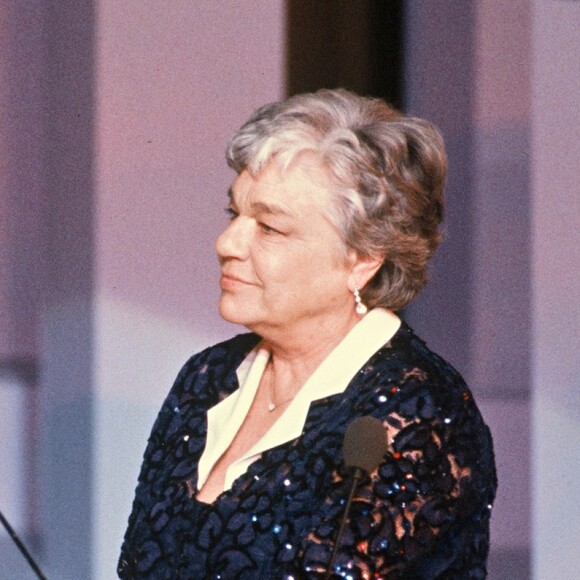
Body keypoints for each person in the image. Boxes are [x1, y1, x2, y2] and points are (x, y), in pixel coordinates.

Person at [118, 89, 496, 579]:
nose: (227, 243)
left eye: (270, 228)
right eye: (235, 215)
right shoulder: (207, 378)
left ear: (362, 259)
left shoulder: (416, 411)